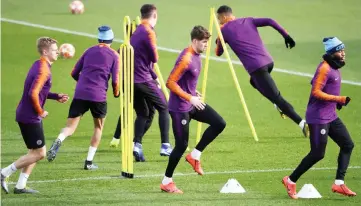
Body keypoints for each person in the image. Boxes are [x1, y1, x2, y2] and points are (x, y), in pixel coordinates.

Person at [215, 5, 309, 137]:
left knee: (278, 98)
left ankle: (302, 122)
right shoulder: (248, 20)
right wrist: (286, 35)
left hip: (257, 69)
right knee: (254, 82)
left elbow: (218, 52)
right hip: (268, 62)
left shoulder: (223, 30)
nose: (219, 22)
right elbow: (270, 20)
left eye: (219, 19)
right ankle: (277, 105)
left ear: (224, 17)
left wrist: (219, 38)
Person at [282, 37, 356, 199]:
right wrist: (338, 99)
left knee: (347, 144)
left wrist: (335, 103)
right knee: (317, 153)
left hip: (330, 116)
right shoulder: (325, 68)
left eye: (343, 50)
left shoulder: (334, 67)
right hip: (318, 118)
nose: (343, 53)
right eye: (339, 50)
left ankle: (338, 183)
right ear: (331, 52)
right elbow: (316, 91)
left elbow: (321, 85)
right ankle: (290, 180)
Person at [160, 26, 226, 194]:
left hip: (191, 104)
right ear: (195, 41)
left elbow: (186, 80)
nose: (206, 46)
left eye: (207, 42)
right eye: (204, 42)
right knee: (181, 146)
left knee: (219, 123)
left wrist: (192, 92)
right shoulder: (186, 58)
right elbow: (170, 82)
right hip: (179, 108)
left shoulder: (197, 55)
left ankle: (195, 156)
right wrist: (190, 97)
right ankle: (167, 181)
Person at [1, 37, 69, 194]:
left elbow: (39, 91)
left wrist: (55, 96)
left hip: (26, 114)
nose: (57, 52)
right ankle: (4, 173)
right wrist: (40, 111)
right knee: (40, 153)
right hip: (30, 116)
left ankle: (20, 186)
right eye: (54, 50)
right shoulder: (43, 70)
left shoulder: (39, 64)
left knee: (33, 152)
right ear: (45, 51)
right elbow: (33, 93)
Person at [46, 26, 120, 170]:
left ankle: (59, 140)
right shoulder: (114, 55)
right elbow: (115, 80)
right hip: (98, 96)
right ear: (111, 39)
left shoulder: (88, 51)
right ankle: (89, 162)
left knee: (70, 127)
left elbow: (74, 72)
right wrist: (116, 93)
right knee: (98, 128)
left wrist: (83, 83)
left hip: (81, 93)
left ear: (99, 38)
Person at [123, 4, 172, 162]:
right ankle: (165, 145)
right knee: (164, 107)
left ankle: (136, 145)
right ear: (154, 16)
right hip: (142, 79)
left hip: (130, 80)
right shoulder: (148, 31)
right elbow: (154, 58)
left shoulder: (136, 30)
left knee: (145, 113)